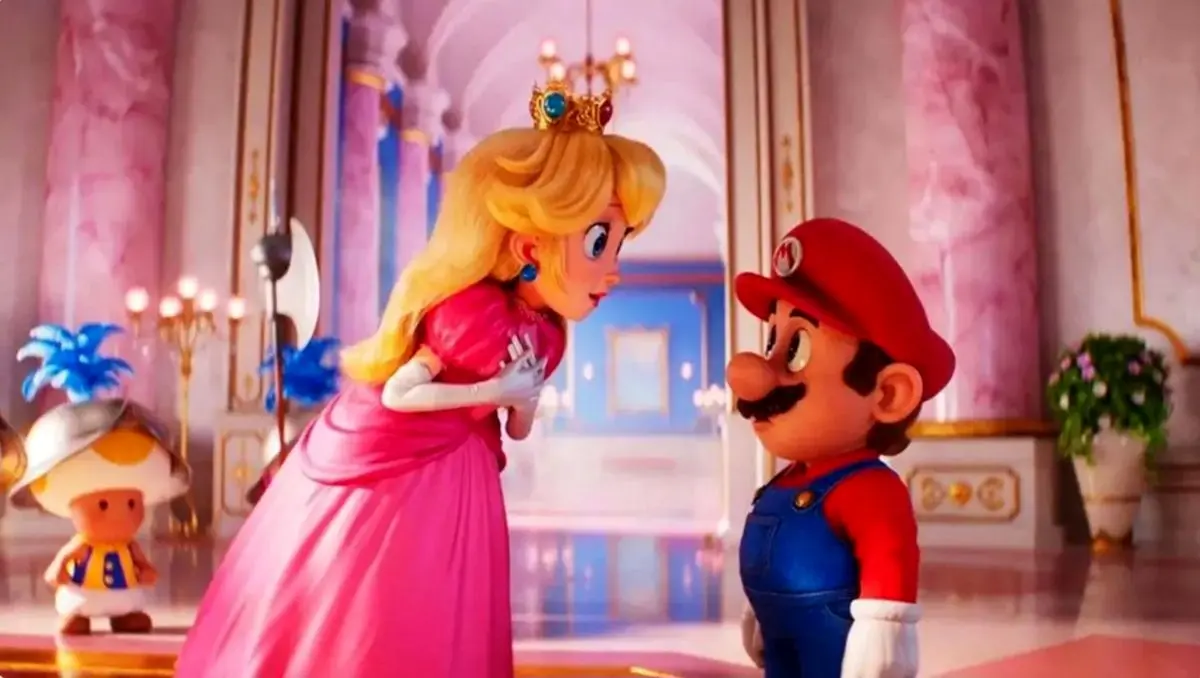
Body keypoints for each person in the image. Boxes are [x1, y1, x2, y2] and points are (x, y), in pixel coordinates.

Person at [175, 82, 666, 678]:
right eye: (598, 242)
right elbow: (401, 393)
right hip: (401, 470)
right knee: (384, 611)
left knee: (446, 614)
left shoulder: (546, 331)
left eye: (617, 244)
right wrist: (496, 392)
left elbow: (518, 422)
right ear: (530, 245)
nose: (613, 272)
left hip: (465, 473)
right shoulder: (464, 313)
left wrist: (521, 400)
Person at [727, 218, 956, 678]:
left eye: (796, 350)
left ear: (887, 394)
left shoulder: (868, 489)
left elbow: (890, 562)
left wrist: (884, 633)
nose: (759, 374)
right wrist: (759, 611)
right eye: (772, 342)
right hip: (782, 636)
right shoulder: (787, 480)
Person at [7, 400, 188, 635]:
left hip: (123, 594)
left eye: (131, 504)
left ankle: (124, 617)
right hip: (84, 594)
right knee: (77, 615)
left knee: (130, 614)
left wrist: (147, 571)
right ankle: (78, 617)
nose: (120, 515)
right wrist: (57, 571)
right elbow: (63, 561)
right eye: (103, 505)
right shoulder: (82, 545)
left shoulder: (129, 547)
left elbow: (143, 565)